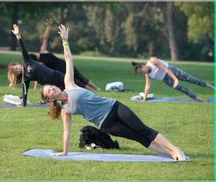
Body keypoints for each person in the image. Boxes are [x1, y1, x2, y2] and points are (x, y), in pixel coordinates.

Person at [41, 24, 186, 161]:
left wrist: (65, 41)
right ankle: (170, 153)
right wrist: (65, 152)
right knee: (139, 138)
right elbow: (66, 132)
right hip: (107, 125)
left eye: (51, 87)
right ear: (49, 99)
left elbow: (68, 59)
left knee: (143, 129)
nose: (53, 88)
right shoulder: (65, 110)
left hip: (114, 107)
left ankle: (175, 149)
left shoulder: (69, 84)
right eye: (49, 91)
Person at [31, 18, 100, 91]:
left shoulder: (40, 64)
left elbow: (37, 77)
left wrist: (35, 88)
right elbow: (45, 38)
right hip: (65, 63)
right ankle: (97, 89)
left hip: (61, 72)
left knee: (76, 82)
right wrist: (48, 26)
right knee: (80, 77)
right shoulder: (43, 52)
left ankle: (93, 90)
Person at [9, 24, 65, 106]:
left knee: (71, 90)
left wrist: (18, 35)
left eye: (16, 67)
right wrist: (23, 105)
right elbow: (25, 92)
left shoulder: (27, 61)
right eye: (17, 70)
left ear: (18, 64)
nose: (18, 68)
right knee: (60, 97)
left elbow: (22, 49)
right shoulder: (25, 78)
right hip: (49, 86)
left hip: (55, 76)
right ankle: (51, 102)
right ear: (18, 74)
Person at [132, 58, 214, 102]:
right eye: (141, 73)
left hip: (172, 71)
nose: (144, 73)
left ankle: (212, 87)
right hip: (166, 79)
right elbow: (147, 86)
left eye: (142, 71)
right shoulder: (147, 74)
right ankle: (199, 99)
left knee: (192, 79)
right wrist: (144, 98)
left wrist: (175, 79)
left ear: (142, 66)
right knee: (183, 90)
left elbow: (166, 69)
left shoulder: (153, 61)